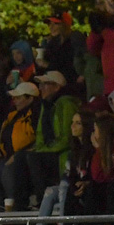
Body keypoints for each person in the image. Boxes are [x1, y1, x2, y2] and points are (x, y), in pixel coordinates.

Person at [0, 82, 38, 212]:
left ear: (30, 98)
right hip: (8, 157)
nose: (14, 100)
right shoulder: (12, 115)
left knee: (8, 171)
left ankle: (14, 209)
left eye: (18, 97)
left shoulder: (36, 114)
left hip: (25, 157)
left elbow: (38, 140)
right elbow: (4, 137)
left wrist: (19, 155)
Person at [22, 71, 79, 206]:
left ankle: (42, 200)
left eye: (45, 84)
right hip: (50, 151)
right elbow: (41, 134)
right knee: (24, 156)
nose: (40, 88)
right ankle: (22, 202)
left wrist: (43, 150)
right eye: (40, 84)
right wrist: (39, 148)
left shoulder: (66, 104)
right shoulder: (46, 105)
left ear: (57, 87)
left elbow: (67, 138)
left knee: (34, 158)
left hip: (63, 153)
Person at [37, 12, 78, 83]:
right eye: (50, 24)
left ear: (65, 25)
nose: (51, 27)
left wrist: (47, 65)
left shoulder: (74, 41)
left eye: (55, 24)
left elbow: (71, 69)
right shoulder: (52, 43)